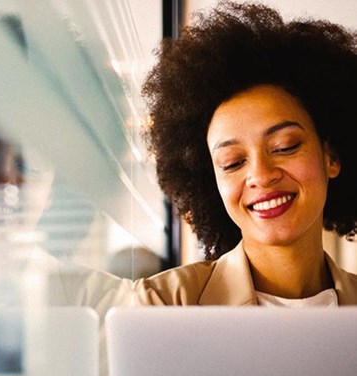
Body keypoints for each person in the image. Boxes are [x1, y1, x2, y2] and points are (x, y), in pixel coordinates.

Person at [135, 0, 357, 306]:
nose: (262, 176)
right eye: (232, 162)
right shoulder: (163, 303)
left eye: (284, 147)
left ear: (331, 155)